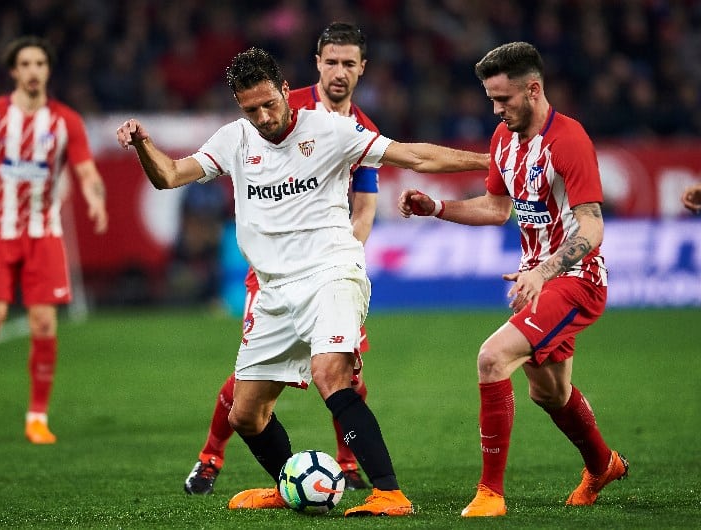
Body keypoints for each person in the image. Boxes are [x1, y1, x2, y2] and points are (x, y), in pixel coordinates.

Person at [117, 46, 487, 517]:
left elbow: (414, 155)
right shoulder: (234, 140)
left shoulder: (329, 130)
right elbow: (169, 176)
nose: (264, 117)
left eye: (269, 104)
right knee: (245, 414)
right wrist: (144, 144)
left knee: (331, 374)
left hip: (330, 273)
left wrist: (490, 161)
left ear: (286, 90)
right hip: (273, 289)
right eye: (251, 110)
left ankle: (389, 493)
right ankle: (288, 484)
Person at [398, 41, 628, 517]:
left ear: (533, 90)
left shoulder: (569, 140)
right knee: (550, 392)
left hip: (575, 278)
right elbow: (496, 208)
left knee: (492, 357)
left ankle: (490, 493)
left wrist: (543, 271)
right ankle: (603, 464)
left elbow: (592, 227)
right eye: (491, 100)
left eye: (503, 99)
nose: (496, 110)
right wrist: (436, 208)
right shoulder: (504, 139)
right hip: (537, 280)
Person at [184, 21, 378, 496]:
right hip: (273, 274)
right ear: (316, 64)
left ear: (361, 68)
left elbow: (364, 206)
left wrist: (339, 257)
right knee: (248, 377)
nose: (338, 72)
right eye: (330, 62)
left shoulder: (362, 130)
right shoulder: (283, 108)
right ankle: (210, 457)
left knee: (347, 373)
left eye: (348, 63)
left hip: (328, 268)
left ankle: (347, 463)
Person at [0, 35, 108, 445]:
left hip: (43, 233)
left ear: (48, 71)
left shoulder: (66, 121)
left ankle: (37, 418)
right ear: (14, 71)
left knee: (44, 323)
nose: (34, 71)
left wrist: (96, 200)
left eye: (40, 64)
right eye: (26, 64)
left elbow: (86, 171)